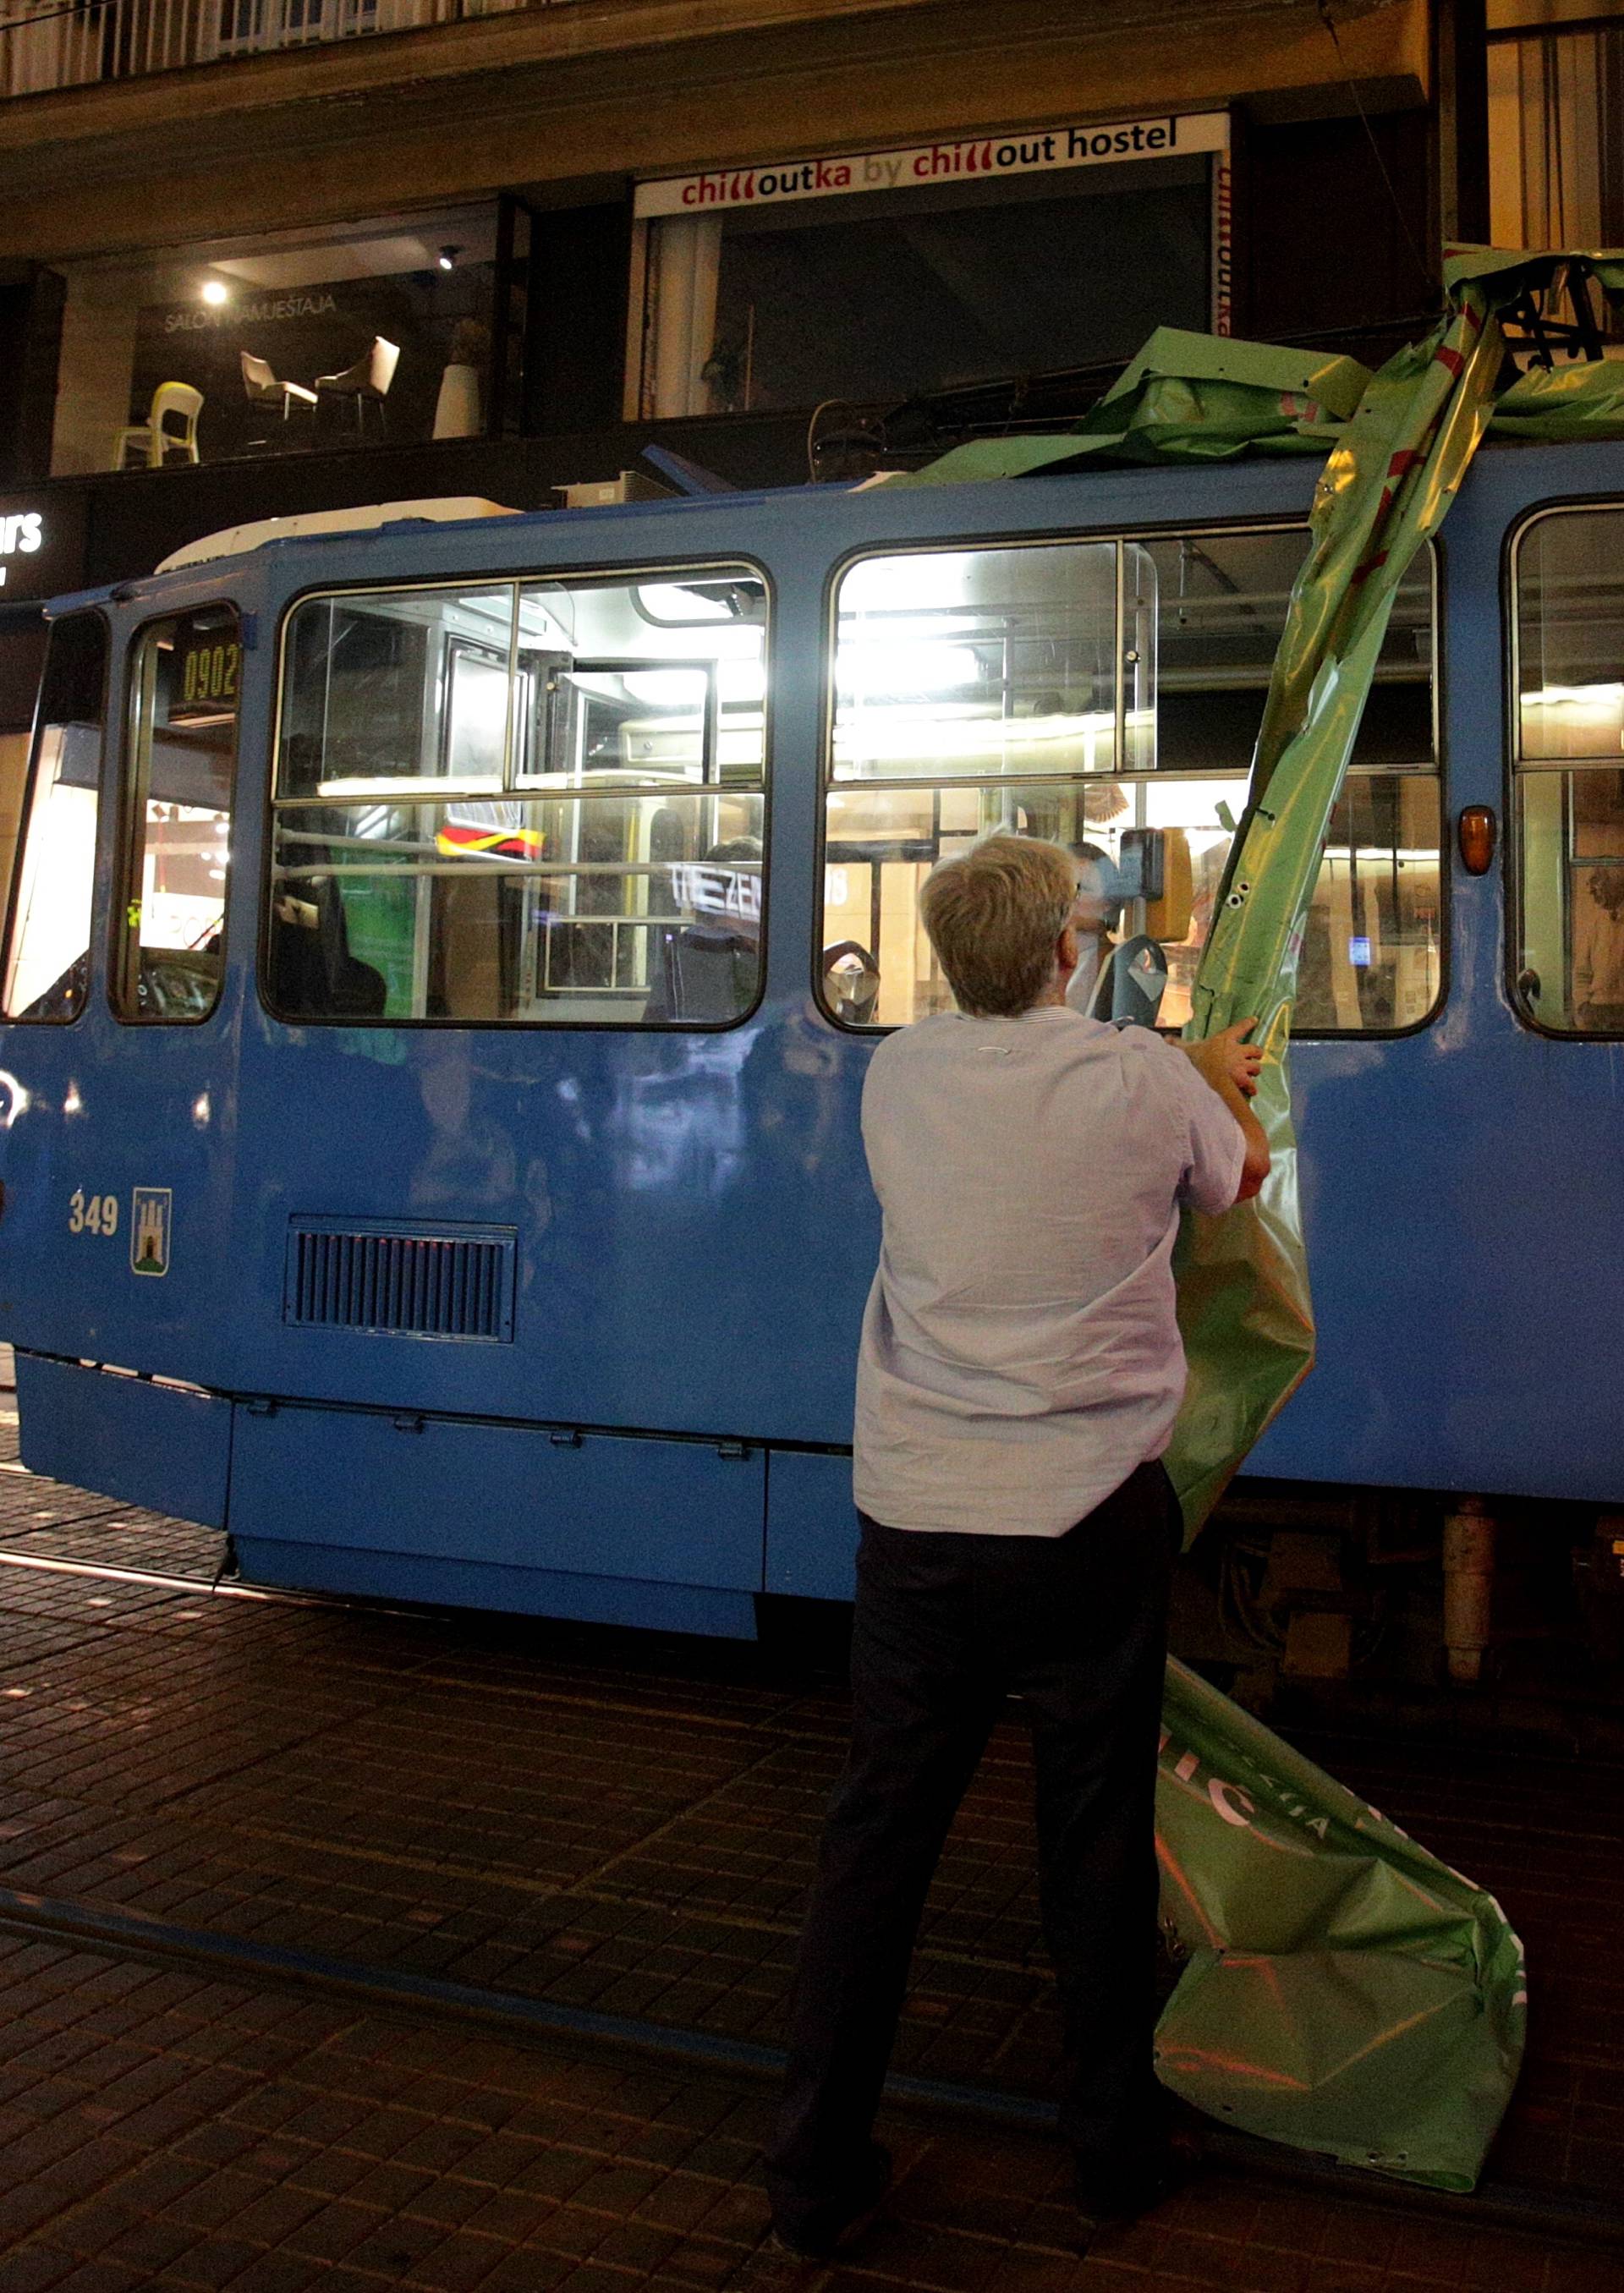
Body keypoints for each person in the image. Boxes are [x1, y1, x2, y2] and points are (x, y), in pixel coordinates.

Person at [765, 832, 1269, 2258]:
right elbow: (1241, 1184)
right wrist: (1217, 1080)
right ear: (1069, 950)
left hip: (917, 1519)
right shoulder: (1137, 1077)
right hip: (1086, 1517)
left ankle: (811, 2174)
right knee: (1093, 1843)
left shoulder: (898, 1071)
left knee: (877, 1845)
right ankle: (1111, 2158)